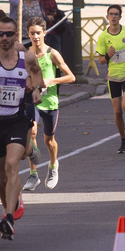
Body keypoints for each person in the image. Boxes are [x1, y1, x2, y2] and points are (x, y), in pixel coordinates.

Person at [0, 17, 43, 239]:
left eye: (9, 34)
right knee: (0, 173)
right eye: (0, 34)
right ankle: (7, 208)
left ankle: (10, 218)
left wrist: (37, 89)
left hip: (17, 119)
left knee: (12, 164)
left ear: (15, 35)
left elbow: (37, 72)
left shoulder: (26, 57)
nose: (4, 38)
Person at [23, 18, 75, 191]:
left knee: (48, 140)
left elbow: (71, 77)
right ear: (28, 34)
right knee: (32, 132)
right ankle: (33, 174)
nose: (35, 36)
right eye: (32, 33)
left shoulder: (52, 53)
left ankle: (53, 166)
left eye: (38, 33)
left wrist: (50, 80)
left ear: (44, 33)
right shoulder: (26, 54)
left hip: (50, 101)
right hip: (32, 100)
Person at [96, 4, 125, 154]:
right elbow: (101, 60)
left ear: (120, 17)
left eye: (116, 14)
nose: (114, 17)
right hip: (113, 77)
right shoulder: (103, 36)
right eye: (111, 14)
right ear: (107, 17)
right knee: (117, 112)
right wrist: (108, 55)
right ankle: (123, 140)